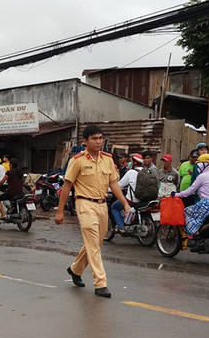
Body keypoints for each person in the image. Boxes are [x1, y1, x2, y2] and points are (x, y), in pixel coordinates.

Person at [55, 125, 130, 298]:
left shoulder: (108, 160)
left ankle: (75, 269)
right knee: (93, 243)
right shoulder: (78, 160)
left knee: (96, 242)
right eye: (94, 138)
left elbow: (114, 184)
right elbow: (67, 186)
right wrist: (60, 211)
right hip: (84, 203)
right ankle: (100, 283)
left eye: (100, 138)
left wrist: (125, 203)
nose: (98, 141)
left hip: (102, 205)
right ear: (85, 141)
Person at [174, 153, 209, 237]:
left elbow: (189, 191)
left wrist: (177, 194)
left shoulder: (202, 176)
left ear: (205, 165)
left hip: (206, 204)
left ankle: (194, 232)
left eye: (199, 163)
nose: (198, 166)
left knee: (187, 211)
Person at [113, 153, 144, 233]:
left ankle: (121, 228)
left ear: (135, 162)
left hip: (132, 200)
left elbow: (118, 186)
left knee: (114, 207)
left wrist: (108, 189)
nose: (130, 163)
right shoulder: (147, 171)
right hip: (144, 200)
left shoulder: (131, 172)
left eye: (131, 161)